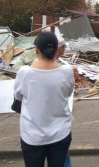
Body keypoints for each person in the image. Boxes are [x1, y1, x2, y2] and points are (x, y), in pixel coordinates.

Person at [14, 31, 75, 167]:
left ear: (36, 50)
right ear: (57, 50)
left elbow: (18, 96)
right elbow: (69, 92)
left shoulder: (24, 72)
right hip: (61, 133)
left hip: (32, 136)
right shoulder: (66, 71)